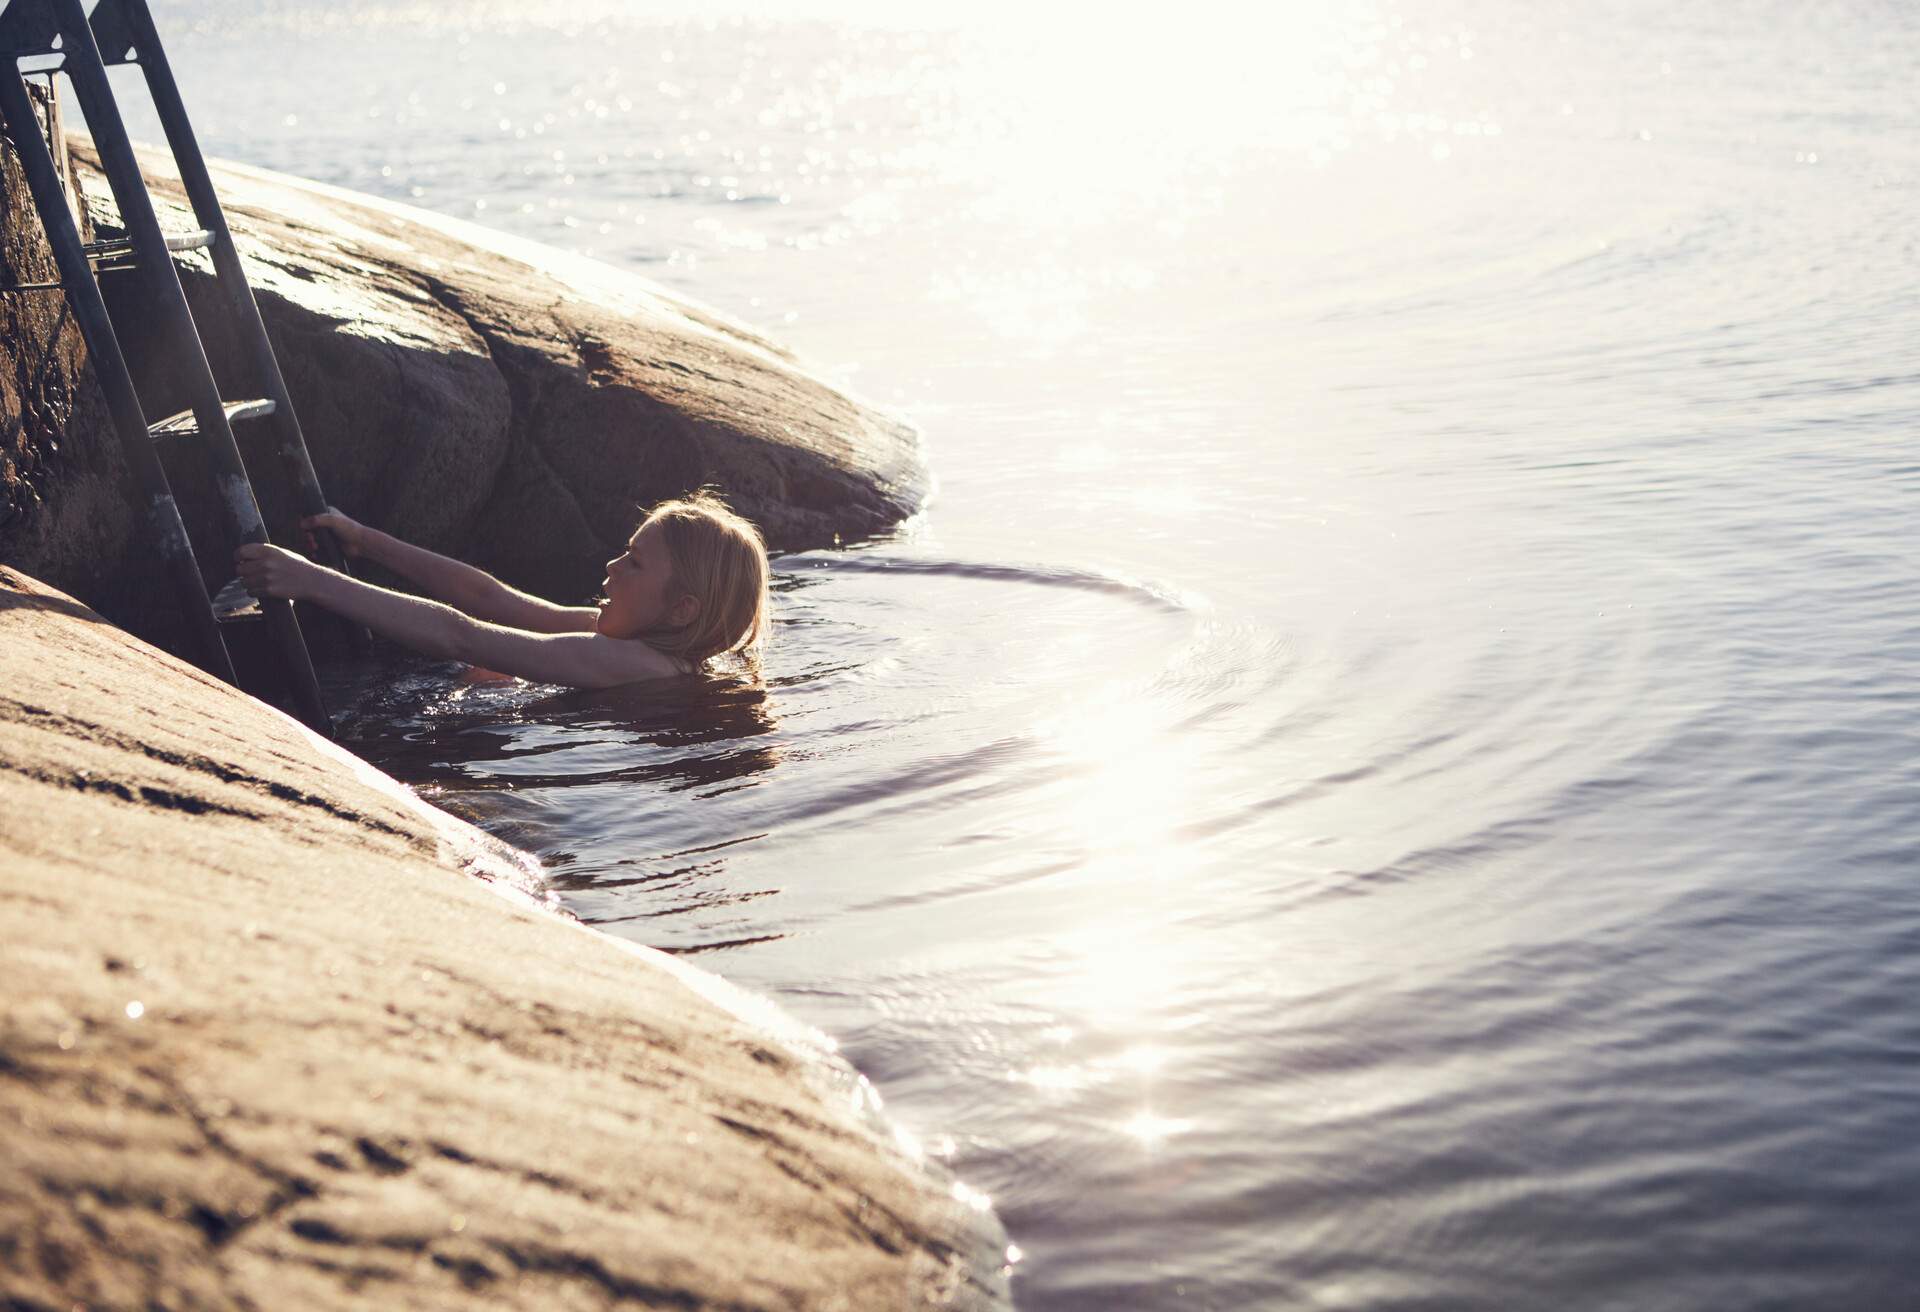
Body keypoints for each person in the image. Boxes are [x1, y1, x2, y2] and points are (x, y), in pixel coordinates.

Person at [234, 490, 770, 689]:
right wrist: (366, 542)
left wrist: (310, 581)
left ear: (682, 610)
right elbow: (491, 599)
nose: (610, 567)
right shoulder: (647, 644)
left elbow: (461, 635)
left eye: (633, 563)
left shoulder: (629, 664)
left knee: (479, 676)